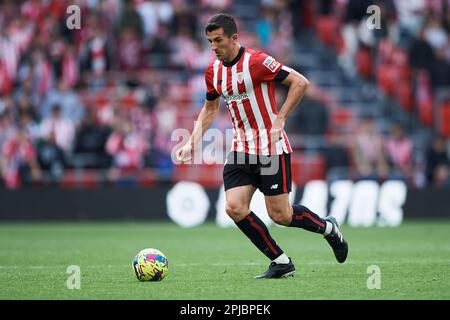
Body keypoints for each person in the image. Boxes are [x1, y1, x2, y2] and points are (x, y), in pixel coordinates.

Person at [176, 13, 348, 279]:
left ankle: (328, 228)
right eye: (210, 41)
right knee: (234, 207)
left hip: (270, 150)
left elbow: (300, 83)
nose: (214, 47)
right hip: (240, 150)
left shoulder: (257, 62)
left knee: (281, 215)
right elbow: (210, 108)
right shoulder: (213, 72)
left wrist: (280, 119)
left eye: (218, 40)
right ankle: (280, 261)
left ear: (234, 38)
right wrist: (191, 143)